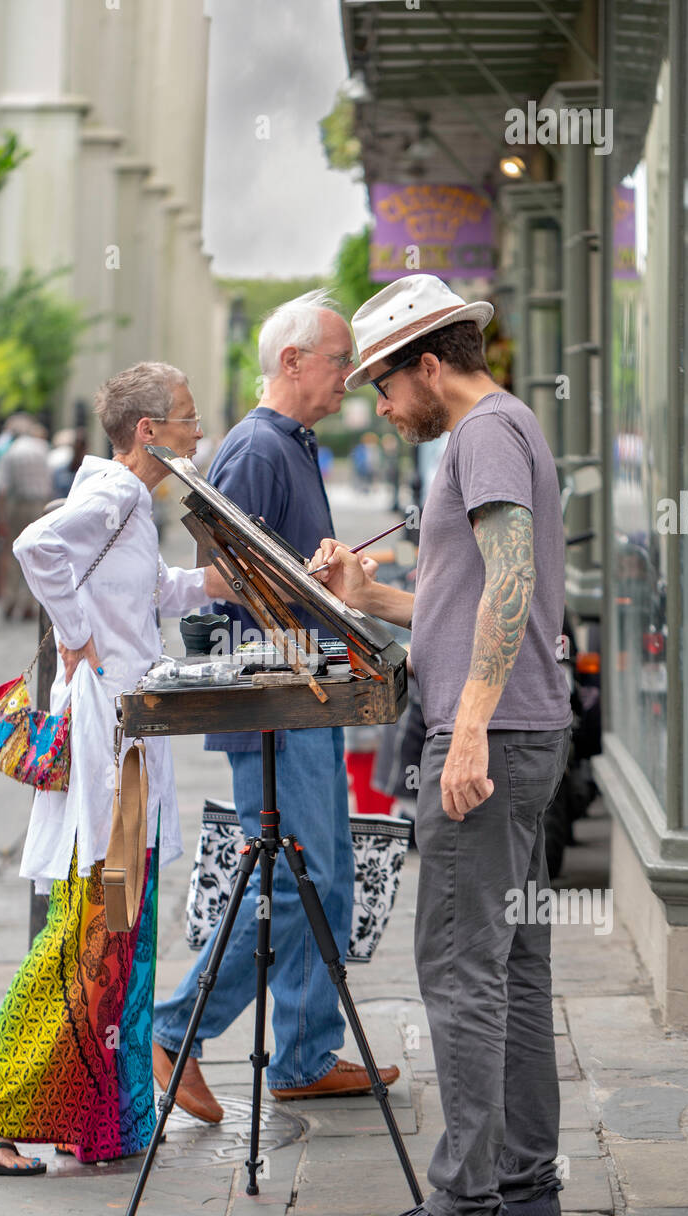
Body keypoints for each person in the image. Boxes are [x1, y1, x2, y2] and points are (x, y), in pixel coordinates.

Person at [308, 274, 572, 1216]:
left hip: (492, 741)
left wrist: (464, 732)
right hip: (517, 730)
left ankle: (464, 1210)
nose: (376, 401)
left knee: (460, 968)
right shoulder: (496, 429)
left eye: (382, 381)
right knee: (510, 967)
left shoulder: (483, 434)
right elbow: (463, 598)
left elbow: (509, 581)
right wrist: (365, 590)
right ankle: (523, 1185)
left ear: (430, 364)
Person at [0, 363, 230, 1172]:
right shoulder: (117, 496)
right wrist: (73, 634)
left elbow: (145, 593)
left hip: (126, 744)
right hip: (110, 750)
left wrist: (214, 582)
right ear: (148, 432)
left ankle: (100, 1124)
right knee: (91, 937)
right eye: (187, 419)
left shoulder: (128, 504)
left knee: (115, 944)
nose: (197, 434)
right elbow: (36, 546)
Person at [152, 290, 400, 1121]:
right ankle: (176, 1029)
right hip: (278, 701)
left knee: (323, 882)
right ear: (291, 362)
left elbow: (269, 576)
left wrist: (320, 572)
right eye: (339, 362)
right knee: (302, 879)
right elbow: (229, 587)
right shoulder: (258, 448)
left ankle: (300, 1053)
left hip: (305, 696)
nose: (352, 378)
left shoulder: (286, 444)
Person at [0, 414, 51, 620]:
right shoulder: (42, 449)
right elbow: (48, 481)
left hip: (16, 504)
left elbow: (3, 487)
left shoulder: (12, 452)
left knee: (13, 553)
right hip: (38, 504)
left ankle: (9, 601)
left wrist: (1, 517)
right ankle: (28, 603)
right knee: (33, 553)